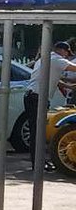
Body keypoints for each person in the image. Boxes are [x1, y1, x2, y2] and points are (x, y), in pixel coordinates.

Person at [25, 39, 76, 168]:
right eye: (66, 53)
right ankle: (38, 164)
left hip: (32, 96)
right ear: (63, 51)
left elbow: (53, 78)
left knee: (36, 131)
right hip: (37, 98)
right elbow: (74, 68)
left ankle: (37, 162)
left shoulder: (44, 59)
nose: (66, 56)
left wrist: (69, 86)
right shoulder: (57, 59)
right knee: (38, 131)